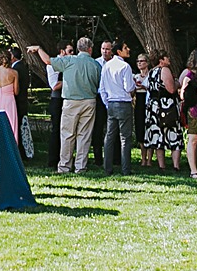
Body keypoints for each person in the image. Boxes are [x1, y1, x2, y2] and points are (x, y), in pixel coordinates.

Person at [32, 38, 101, 175]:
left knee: (68, 135)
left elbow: (48, 61)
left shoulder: (70, 60)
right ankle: (81, 166)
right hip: (89, 101)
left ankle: (64, 166)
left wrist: (39, 49)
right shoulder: (96, 65)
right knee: (84, 135)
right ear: (90, 49)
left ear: (78, 48)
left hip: (71, 101)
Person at [98, 40, 137, 175]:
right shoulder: (125, 67)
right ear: (119, 51)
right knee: (125, 137)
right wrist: (133, 87)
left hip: (111, 103)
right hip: (124, 103)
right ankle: (126, 169)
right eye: (126, 48)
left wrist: (107, 103)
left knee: (109, 136)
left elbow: (102, 89)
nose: (128, 50)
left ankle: (107, 167)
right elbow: (128, 87)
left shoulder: (106, 66)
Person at [142, 54, 181, 169]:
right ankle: (176, 165)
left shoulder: (151, 72)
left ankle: (161, 165)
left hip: (153, 106)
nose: (169, 59)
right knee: (173, 133)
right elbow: (171, 89)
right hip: (166, 105)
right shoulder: (164, 70)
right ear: (161, 60)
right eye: (166, 57)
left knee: (158, 135)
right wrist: (177, 83)